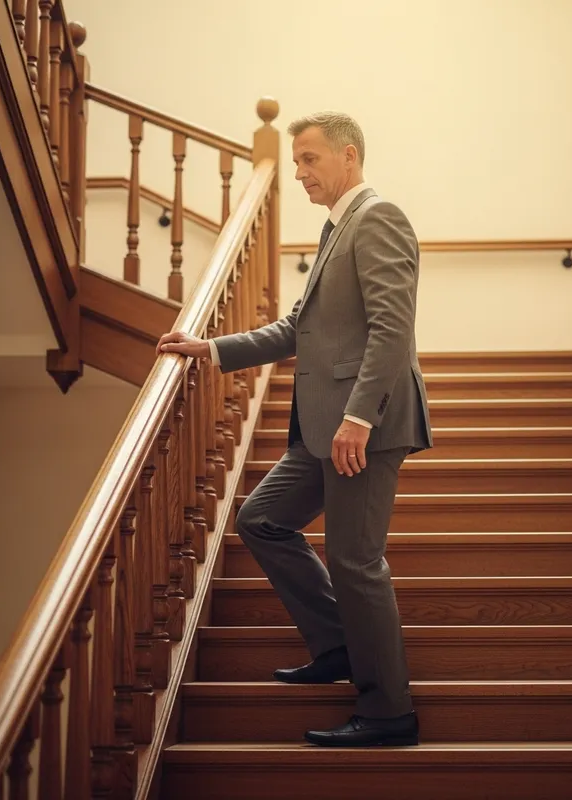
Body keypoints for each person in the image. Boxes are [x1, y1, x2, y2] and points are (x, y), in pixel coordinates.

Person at [157, 111, 433, 747]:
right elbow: (294, 330)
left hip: (363, 425)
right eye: (298, 161)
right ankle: (339, 644)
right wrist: (210, 349)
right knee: (261, 518)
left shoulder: (378, 217)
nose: (301, 173)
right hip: (322, 428)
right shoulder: (338, 230)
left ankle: (390, 712)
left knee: (354, 560)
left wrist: (360, 417)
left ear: (349, 156)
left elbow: (394, 330)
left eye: (310, 159)